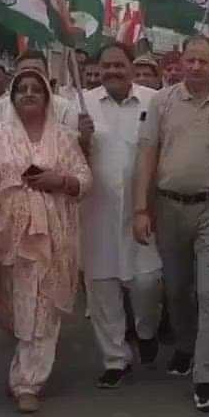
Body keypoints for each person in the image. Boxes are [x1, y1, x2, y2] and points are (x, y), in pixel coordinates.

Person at [134, 36, 209, 413]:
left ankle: (205, 377)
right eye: (190, 60)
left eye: (203, 61)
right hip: (169, 208)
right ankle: (184, 344)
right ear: (181, 63)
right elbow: (148, 155)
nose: (196, 67)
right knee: (178, 289)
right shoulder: (162, 101)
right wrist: (140, 209)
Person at [0, 67, 91, 413]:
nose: (28, 94)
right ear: (12, 98)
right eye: (21, 89)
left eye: (36, 89)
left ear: (47, 98)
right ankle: (24, 362)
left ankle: (28, 382)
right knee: (16, 308)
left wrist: (60, 181)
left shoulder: (64, 137)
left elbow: (85, 180)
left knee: (43, 309)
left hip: (54, 235)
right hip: (9, 235)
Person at [74, 43, 163, 389]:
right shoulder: (83, 104)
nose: (112, 71)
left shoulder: (154, 101)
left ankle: (146, 330)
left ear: (131, 67)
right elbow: (68, 154)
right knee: (102, 285)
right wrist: (81, 138)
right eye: (106, 65)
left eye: (119, 65)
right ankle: (115, 359)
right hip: (97, 209)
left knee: (147, 281)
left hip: (143, 208)